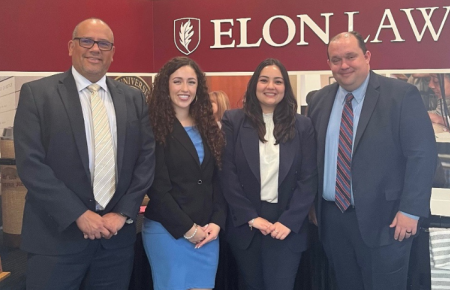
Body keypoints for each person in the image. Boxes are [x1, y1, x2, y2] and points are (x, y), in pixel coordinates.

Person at [13, 18, 155, 290]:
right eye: (86, 41)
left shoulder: (133, 98)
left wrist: (123, 213)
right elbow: (30, 164)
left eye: (104, 44)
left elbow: (146, 159)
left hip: (115, 241)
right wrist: (78, 214)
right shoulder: (37, 94)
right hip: (55, 239)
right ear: (71, 47)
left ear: (113, 53)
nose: (95, 49)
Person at [308, 31, 437, 290]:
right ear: (329, 64)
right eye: (336, 59)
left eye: (350, 56)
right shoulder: (318, 99)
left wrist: (411, 210)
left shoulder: (401, 95)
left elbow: (422, 155)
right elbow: (312, 157)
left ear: (367, 56)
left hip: (387, 221)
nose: (344, 65)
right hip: (333, 220)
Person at [219, 58, 317, 290]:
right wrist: (251, 217)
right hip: (247, 224)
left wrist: (289, 221)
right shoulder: (233, 120)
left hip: (286, 226)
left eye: (278, 81)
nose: (270, 86)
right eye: (264, 80)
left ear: (286, 87)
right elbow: (227, 174)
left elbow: (308, 178)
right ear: (254, 85)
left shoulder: (303, 125)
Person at [142, 56, 226, 290]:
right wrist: (188, 230)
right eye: (177, 81)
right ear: (165, 86)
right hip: (168, 232)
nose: (184, 88)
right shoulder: (152, 126)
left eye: (191, 82)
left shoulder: (208, 126)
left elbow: (218, 180)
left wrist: (216, 223)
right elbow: (157, 188)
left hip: (208, 234)